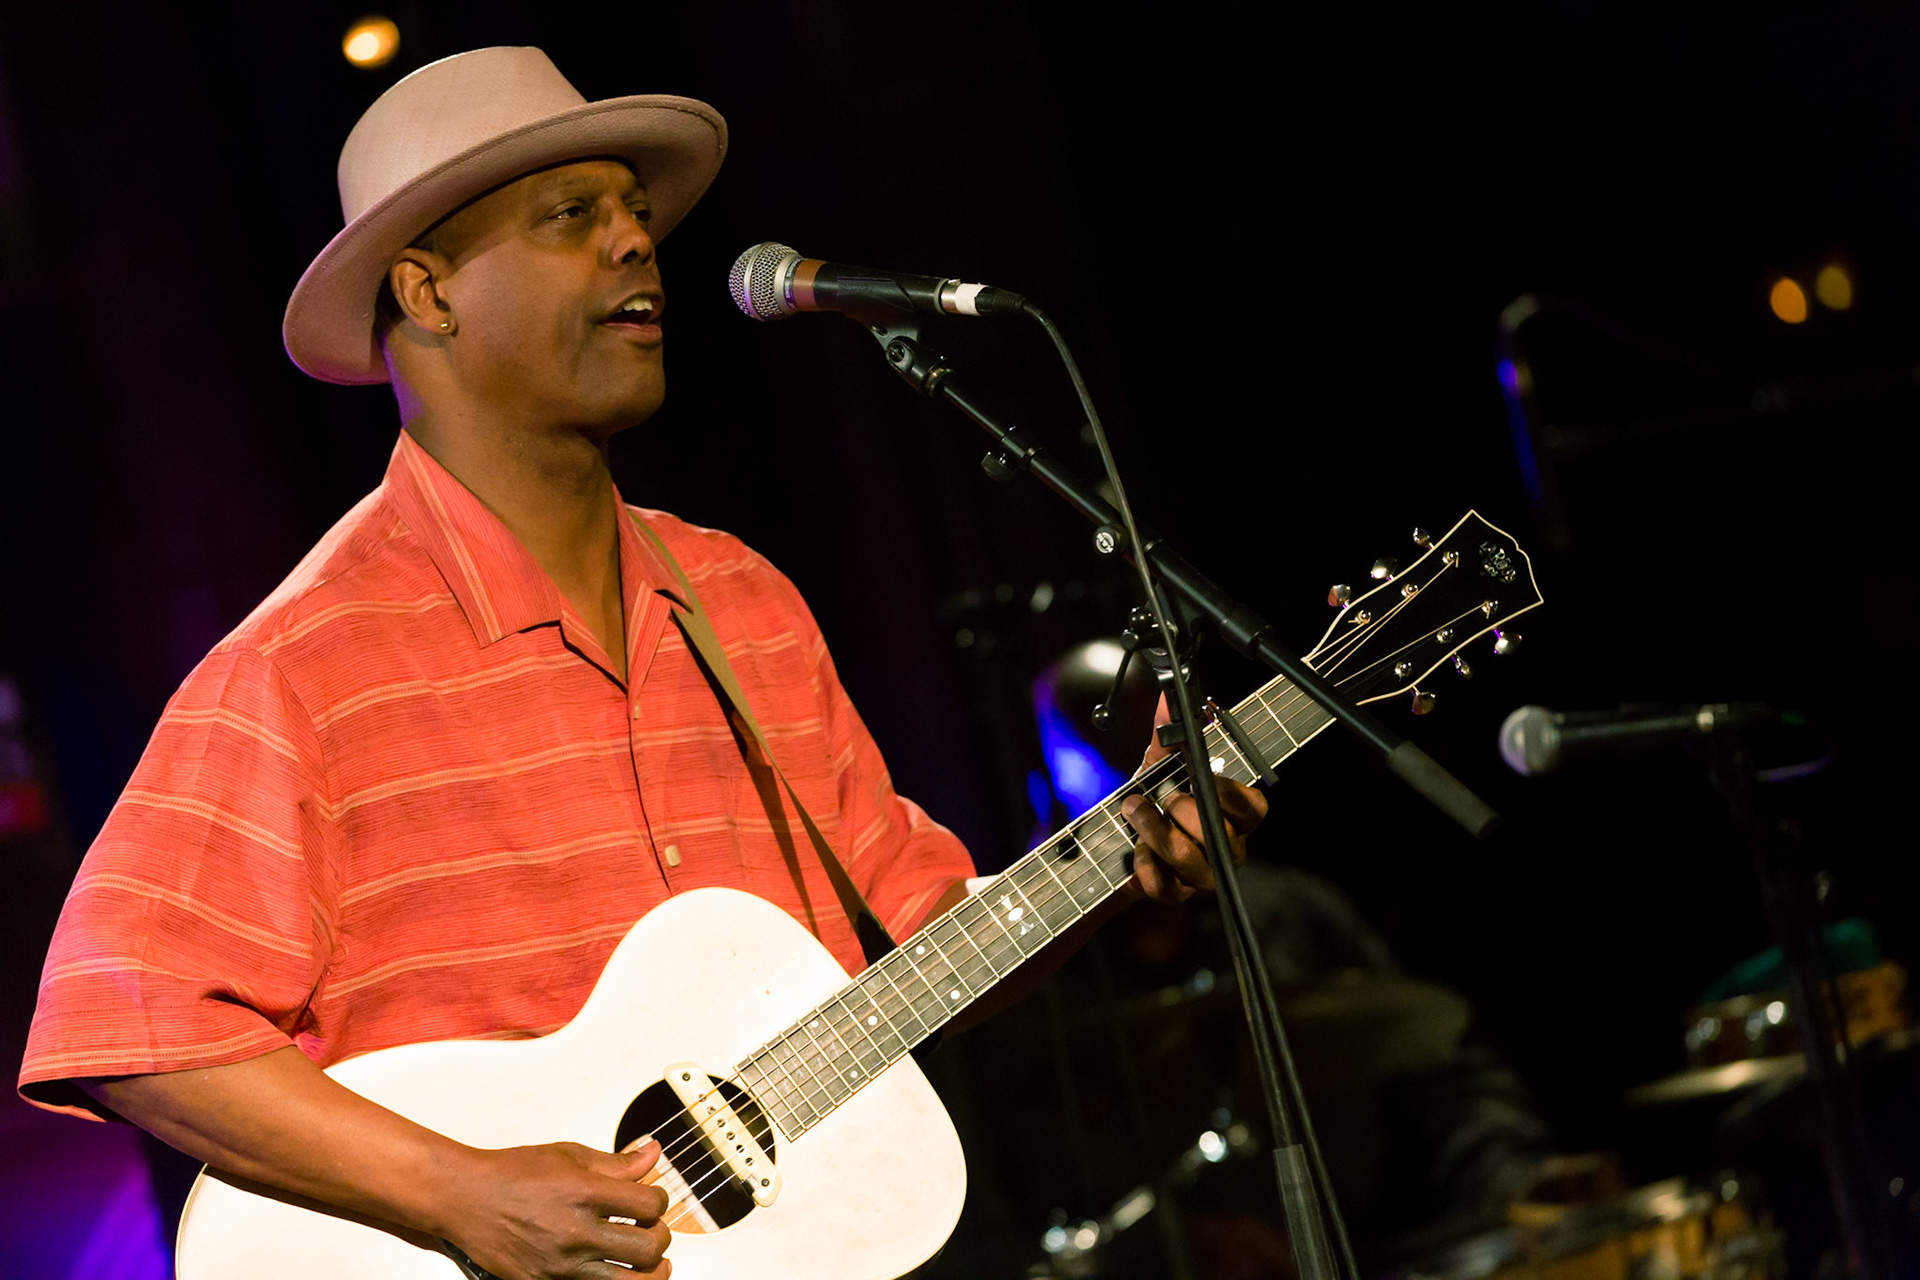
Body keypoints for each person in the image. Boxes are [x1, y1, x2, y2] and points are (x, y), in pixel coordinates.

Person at [18, 47, 1265, 1280]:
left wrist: (1122, 855)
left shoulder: (743, 601)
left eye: (636, 213)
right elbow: (128, 1022)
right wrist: (460, 1193)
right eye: (575, 216)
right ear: (428, 290)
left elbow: (911, 948)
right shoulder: (307, 664)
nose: (635, 244)